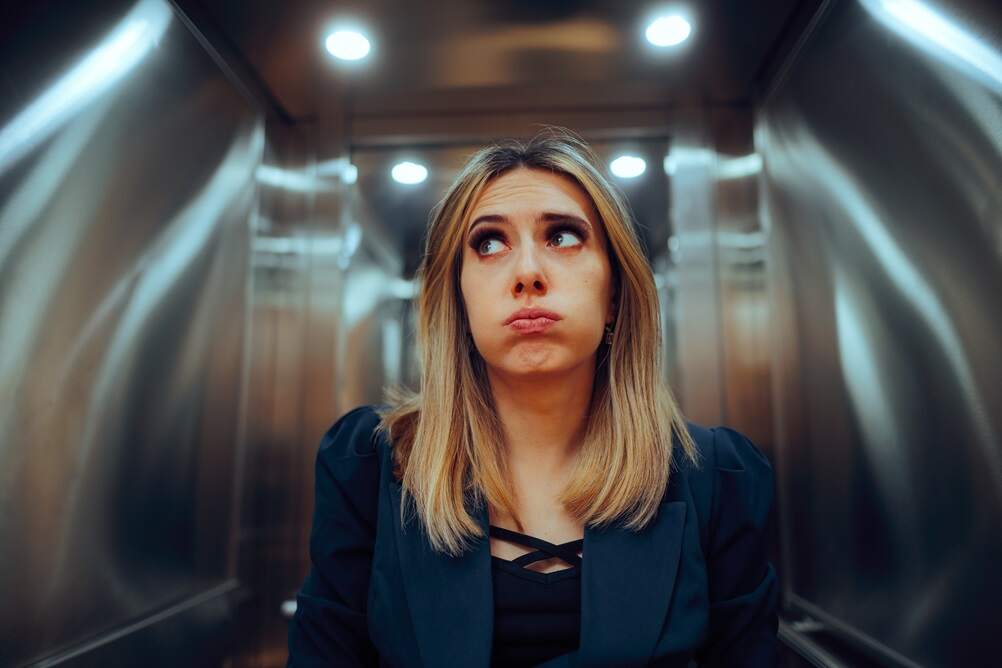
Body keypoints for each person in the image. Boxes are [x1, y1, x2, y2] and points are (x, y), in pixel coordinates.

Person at [287, 128, 779, 667]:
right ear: (459, 299)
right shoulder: (366, 465)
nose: (527, 274)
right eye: (489, 243)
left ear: (614, 293)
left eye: (563, 237)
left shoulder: (720, 479)